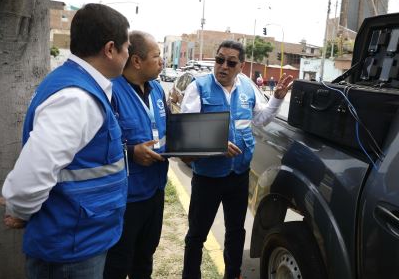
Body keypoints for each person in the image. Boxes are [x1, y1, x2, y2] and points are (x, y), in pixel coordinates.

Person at [0, 3, 130, 278]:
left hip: (80, 237)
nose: (128, 54)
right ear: (110, 49)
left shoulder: (80, 85)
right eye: (126, 47)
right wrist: (21, 209)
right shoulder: (77, 98)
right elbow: (34, 171)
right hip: (71, 248)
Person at [180, 40, 293, 279]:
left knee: (235, 232)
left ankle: (233, 274)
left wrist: (278, 99)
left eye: (231, 63)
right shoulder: (198, 87)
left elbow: (259, 119)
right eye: (219, 60)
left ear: (241, 66)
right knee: (197, 235)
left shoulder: (247, 88)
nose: (223, 66)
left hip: (238, 176)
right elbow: (187, 134)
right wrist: (216, 144)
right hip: (207, 178)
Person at [104, 31, 168, 279]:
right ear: (137, 61)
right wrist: (131, 152)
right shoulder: (111, 92)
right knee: (119, 263)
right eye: (156, 56)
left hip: (155, 190)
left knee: (145, 258)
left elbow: (169, 128)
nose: (161, 61)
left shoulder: (158, 91)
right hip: (127, 198)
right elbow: (98, 145)